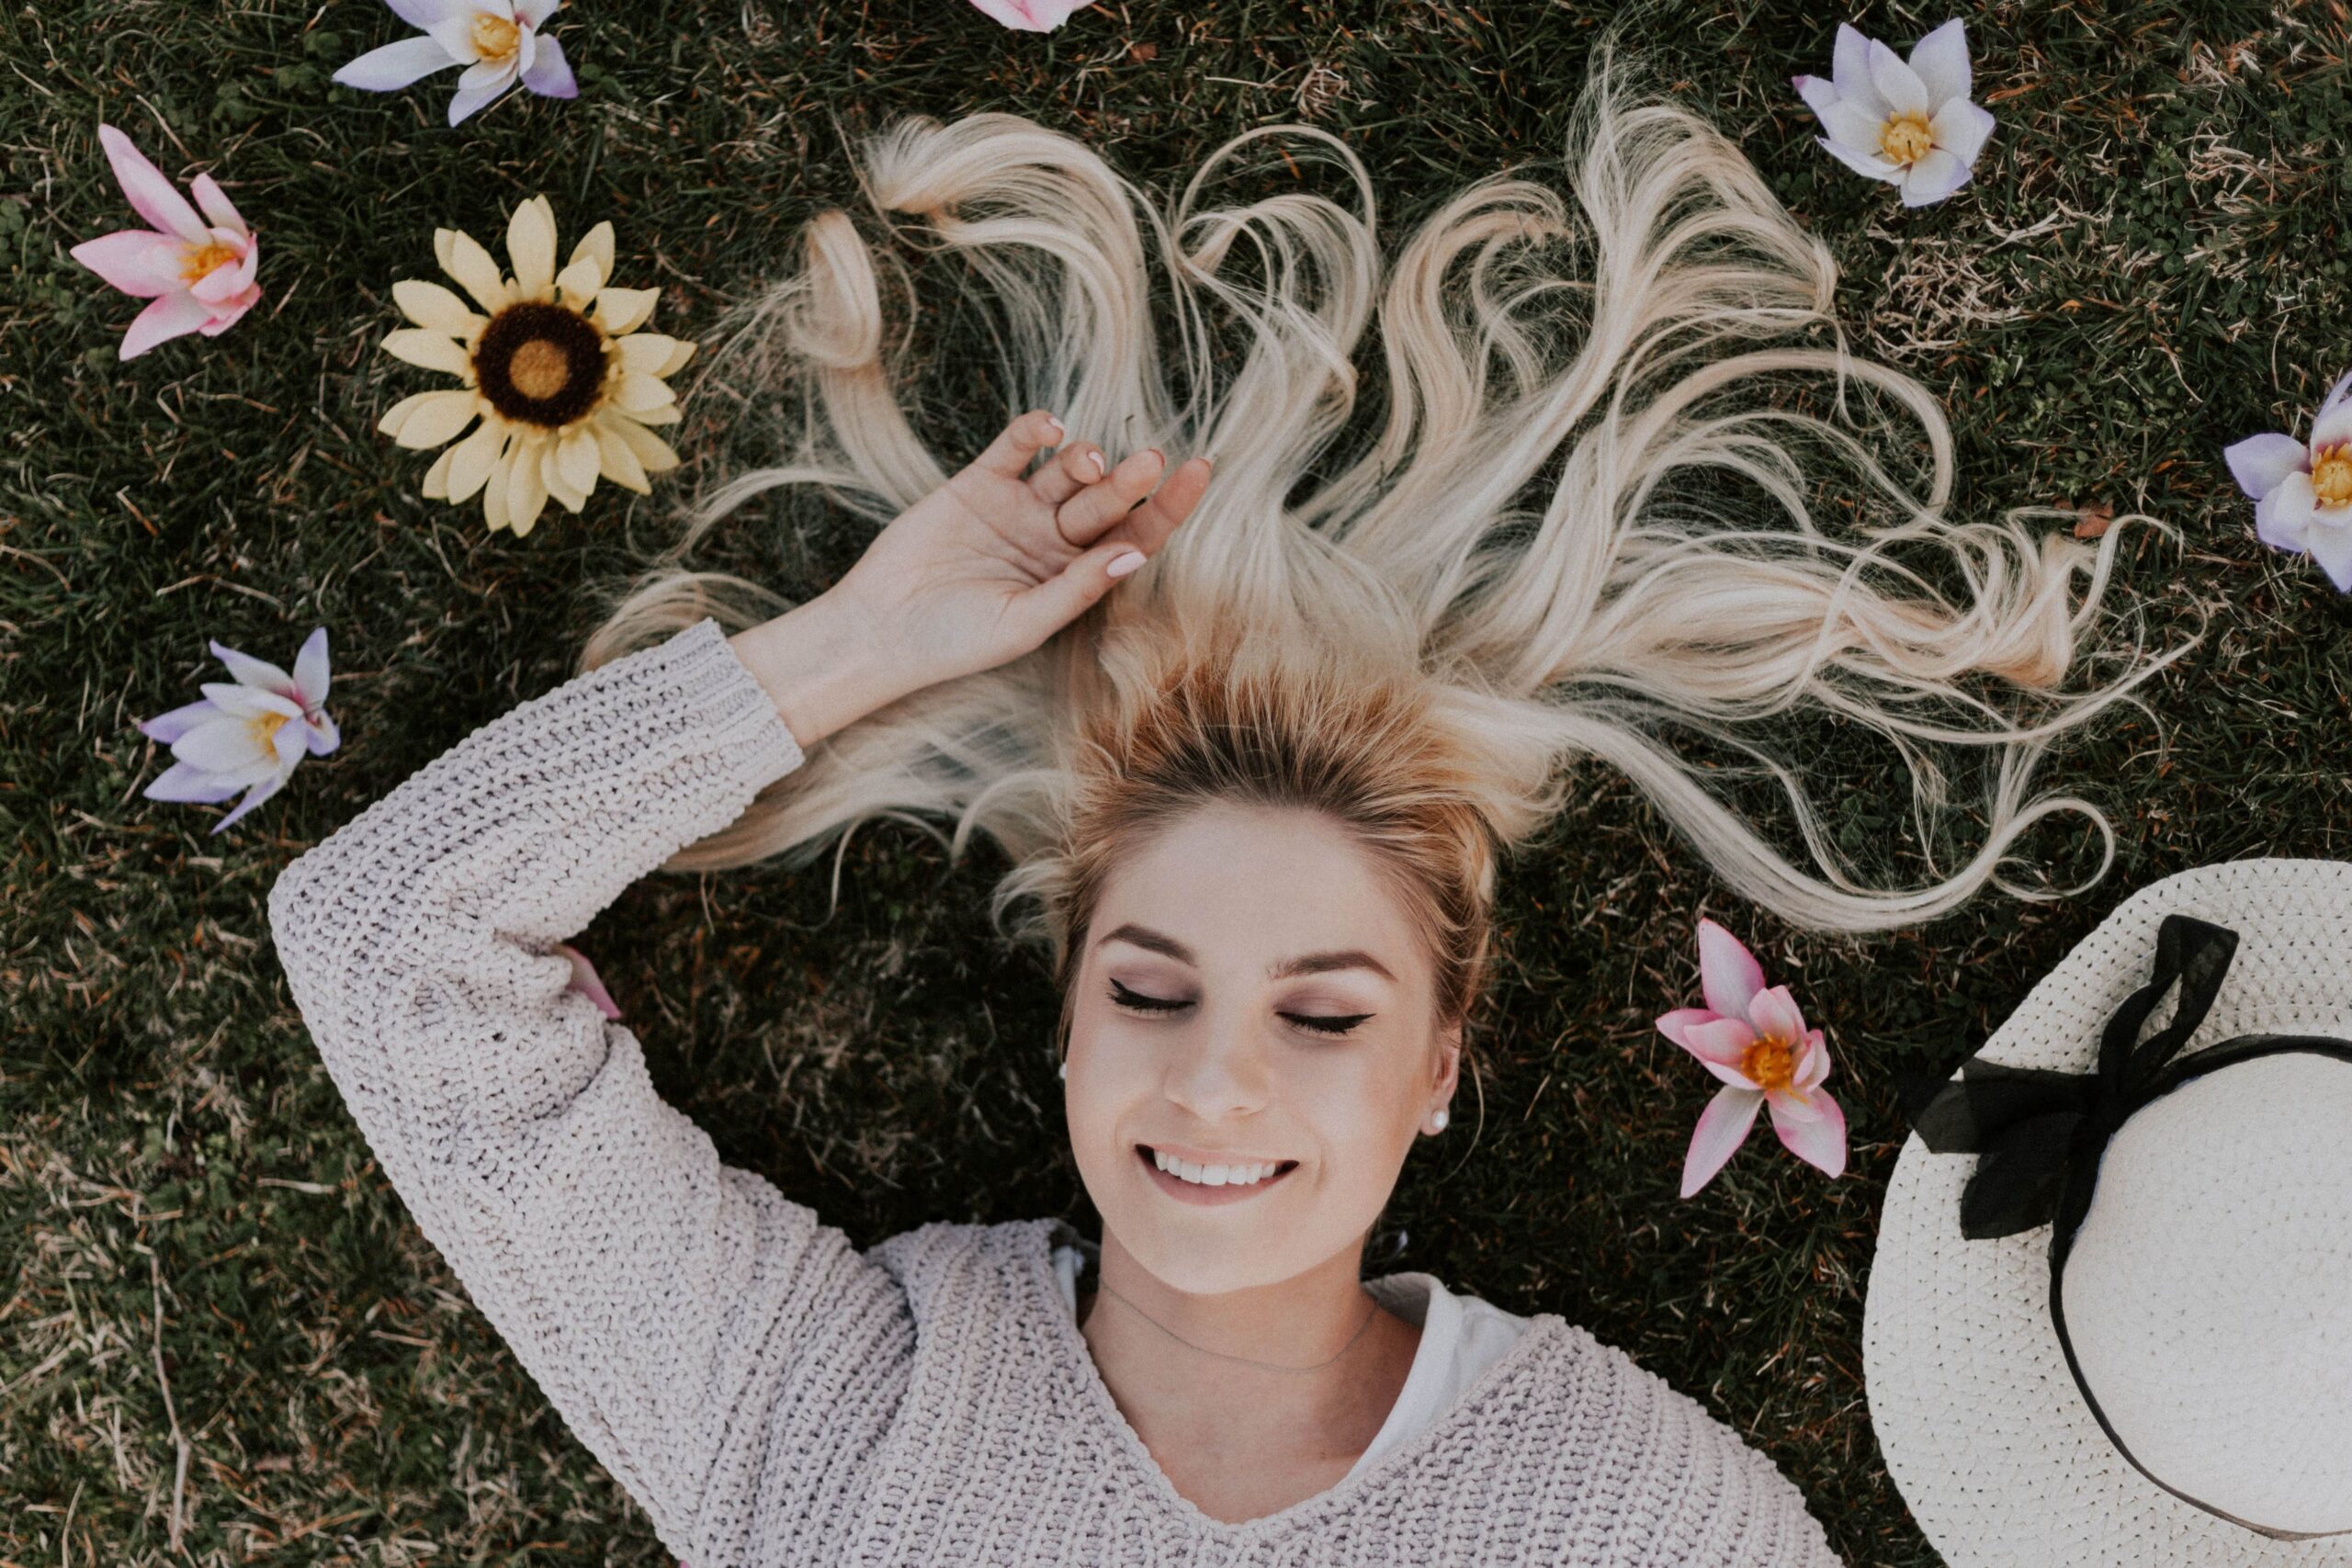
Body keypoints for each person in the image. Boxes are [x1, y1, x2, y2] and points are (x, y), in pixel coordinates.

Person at [269, 58, 2179, 1564]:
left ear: (1442, 1060)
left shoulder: (1626, 1516)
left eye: (1325, 1009)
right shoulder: (833, 1415)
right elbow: (390, 946)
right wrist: (847, 644)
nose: (1214, 1082)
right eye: (1154, 987)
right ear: (1070, 1010)